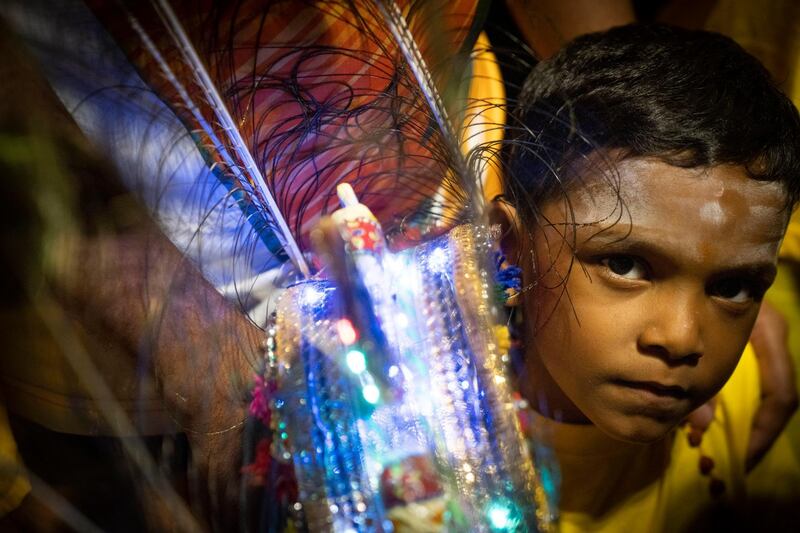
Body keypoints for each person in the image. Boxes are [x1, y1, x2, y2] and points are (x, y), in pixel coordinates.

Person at [494, 24, 800, 531]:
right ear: (510, 242)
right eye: (625, 265)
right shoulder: (424, 477)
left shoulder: (749, 396)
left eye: (732, 287)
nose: (681, 338)